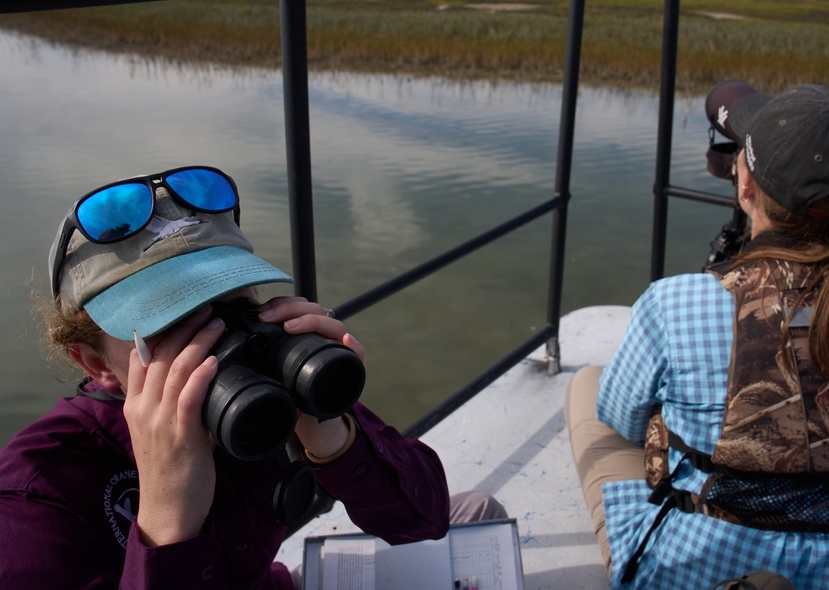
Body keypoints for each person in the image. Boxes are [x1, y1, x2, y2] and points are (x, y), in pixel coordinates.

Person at [0, 166, 504, 589]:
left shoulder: (264, 385)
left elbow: (424, 518)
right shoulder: (37, 493)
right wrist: (166, 515)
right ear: (95, 364)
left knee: (478, 511)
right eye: (172, 324)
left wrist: (329, 430)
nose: (219, 341)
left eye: (233, 305)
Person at [565, 83, 829, 589]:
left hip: (710, 559)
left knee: (588, 386)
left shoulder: (675, 304)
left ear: (744, 185)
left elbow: (623, 418)